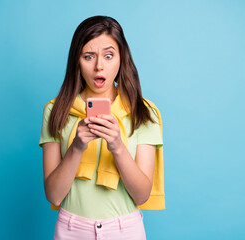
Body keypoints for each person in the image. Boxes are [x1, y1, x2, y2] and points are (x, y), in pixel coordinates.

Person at [39, 15, 165, 240]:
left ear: (121, 58)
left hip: (125, 230)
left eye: (109, 56)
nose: (99, 66)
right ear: (76, 60)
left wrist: (117, 146)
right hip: (71, 230)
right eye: (89, 56)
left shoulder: (144, 112)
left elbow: (142, 195)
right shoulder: (55, 111)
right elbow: (54, 196)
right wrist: (77, 146)